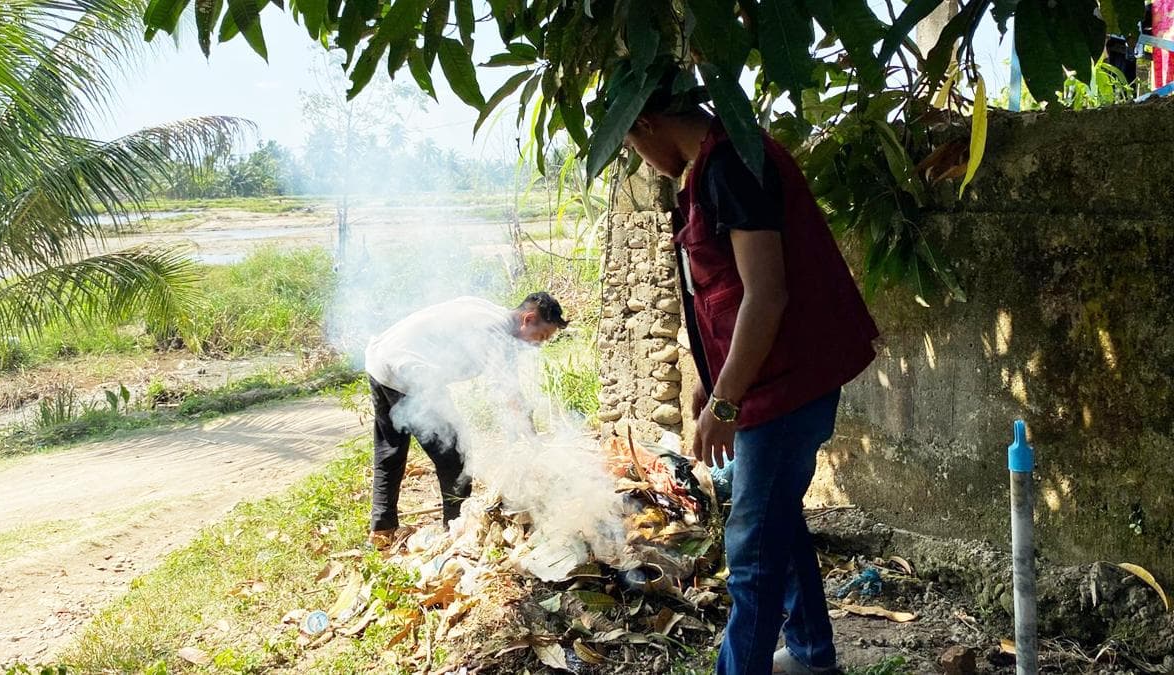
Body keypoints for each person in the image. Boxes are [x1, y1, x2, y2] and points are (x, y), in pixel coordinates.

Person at [614, 64, 880, 675]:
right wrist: (711, 379)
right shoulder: (711, 165)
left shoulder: (733, 165)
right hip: (771, 380)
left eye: (632, 143)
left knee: (752, 549)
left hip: (786, 387)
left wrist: (725, 403)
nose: (641, 157)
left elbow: (767, 295)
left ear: (649, 123)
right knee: (776, 526)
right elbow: (725, 295)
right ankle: (813, 657)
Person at [363, 292, 568, 545]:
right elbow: (506, 393)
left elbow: (510, 383)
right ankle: (457, 530)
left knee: (389, 450)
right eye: (541, 337)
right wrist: (534, 442)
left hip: (378, 360)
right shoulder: (495, 332)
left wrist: (521, 433)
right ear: (528, 319)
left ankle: (382, 530)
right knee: (455, 456)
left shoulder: (491, 314)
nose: (537, 345)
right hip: (409, 372)